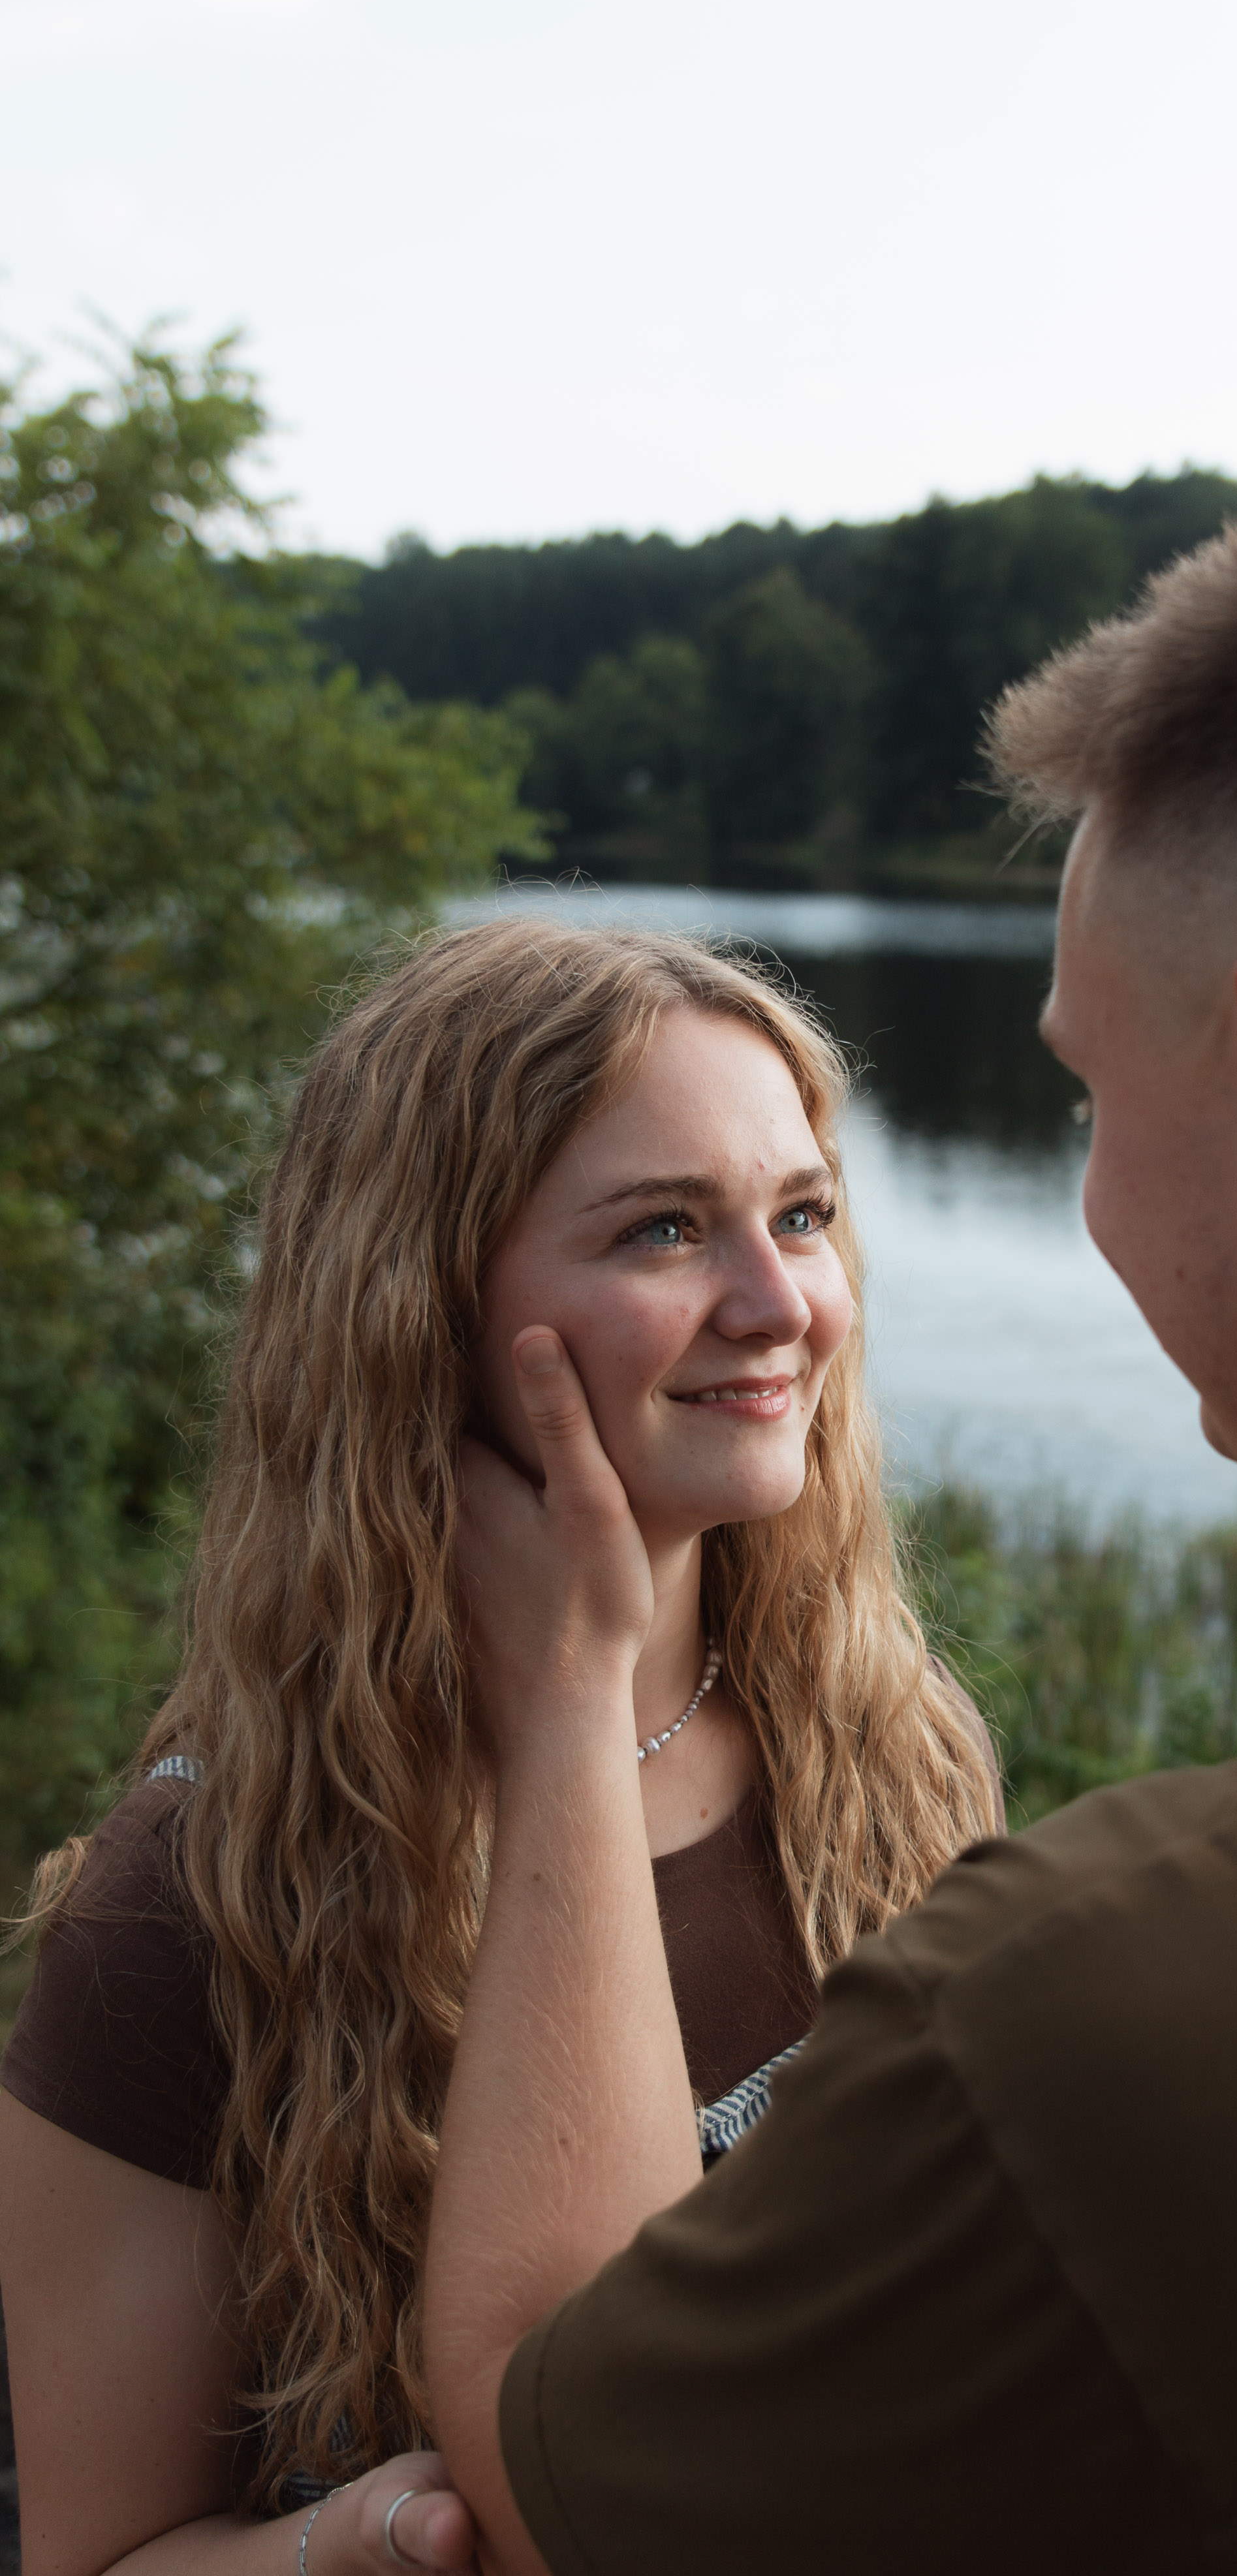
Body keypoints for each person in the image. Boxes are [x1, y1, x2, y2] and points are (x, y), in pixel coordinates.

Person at [418, 464, 1237, 2573]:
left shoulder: (1117, 2018)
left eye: (1082, 1089)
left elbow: (536, 2441)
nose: (1089, 1182)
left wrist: (568, 1689)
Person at [0, 923, 1001, 2576]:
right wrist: (371, 2535)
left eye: (803, 1213)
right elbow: (102, 2558)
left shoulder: (891, 1761)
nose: (777, 1305)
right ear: (421, 1301)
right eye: (664, 1229)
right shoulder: (190, 1906)